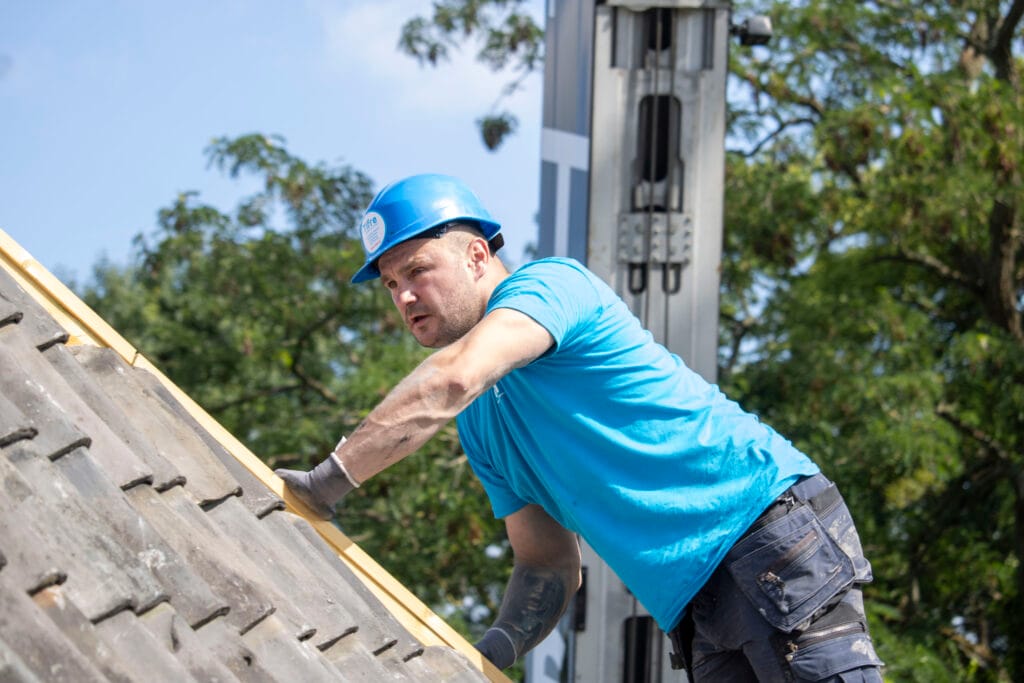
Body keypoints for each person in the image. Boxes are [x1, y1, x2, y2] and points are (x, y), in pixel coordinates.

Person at [276, 173, 884, 681]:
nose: (404, 296)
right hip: (695, 601)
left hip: (764, 534)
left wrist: (323, 487)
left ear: (477, 254)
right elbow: (545, 563)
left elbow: (449, 380)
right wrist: (491, 653)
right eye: (390, 284)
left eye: (417, 270)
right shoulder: (484, 425)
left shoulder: (551, 286)